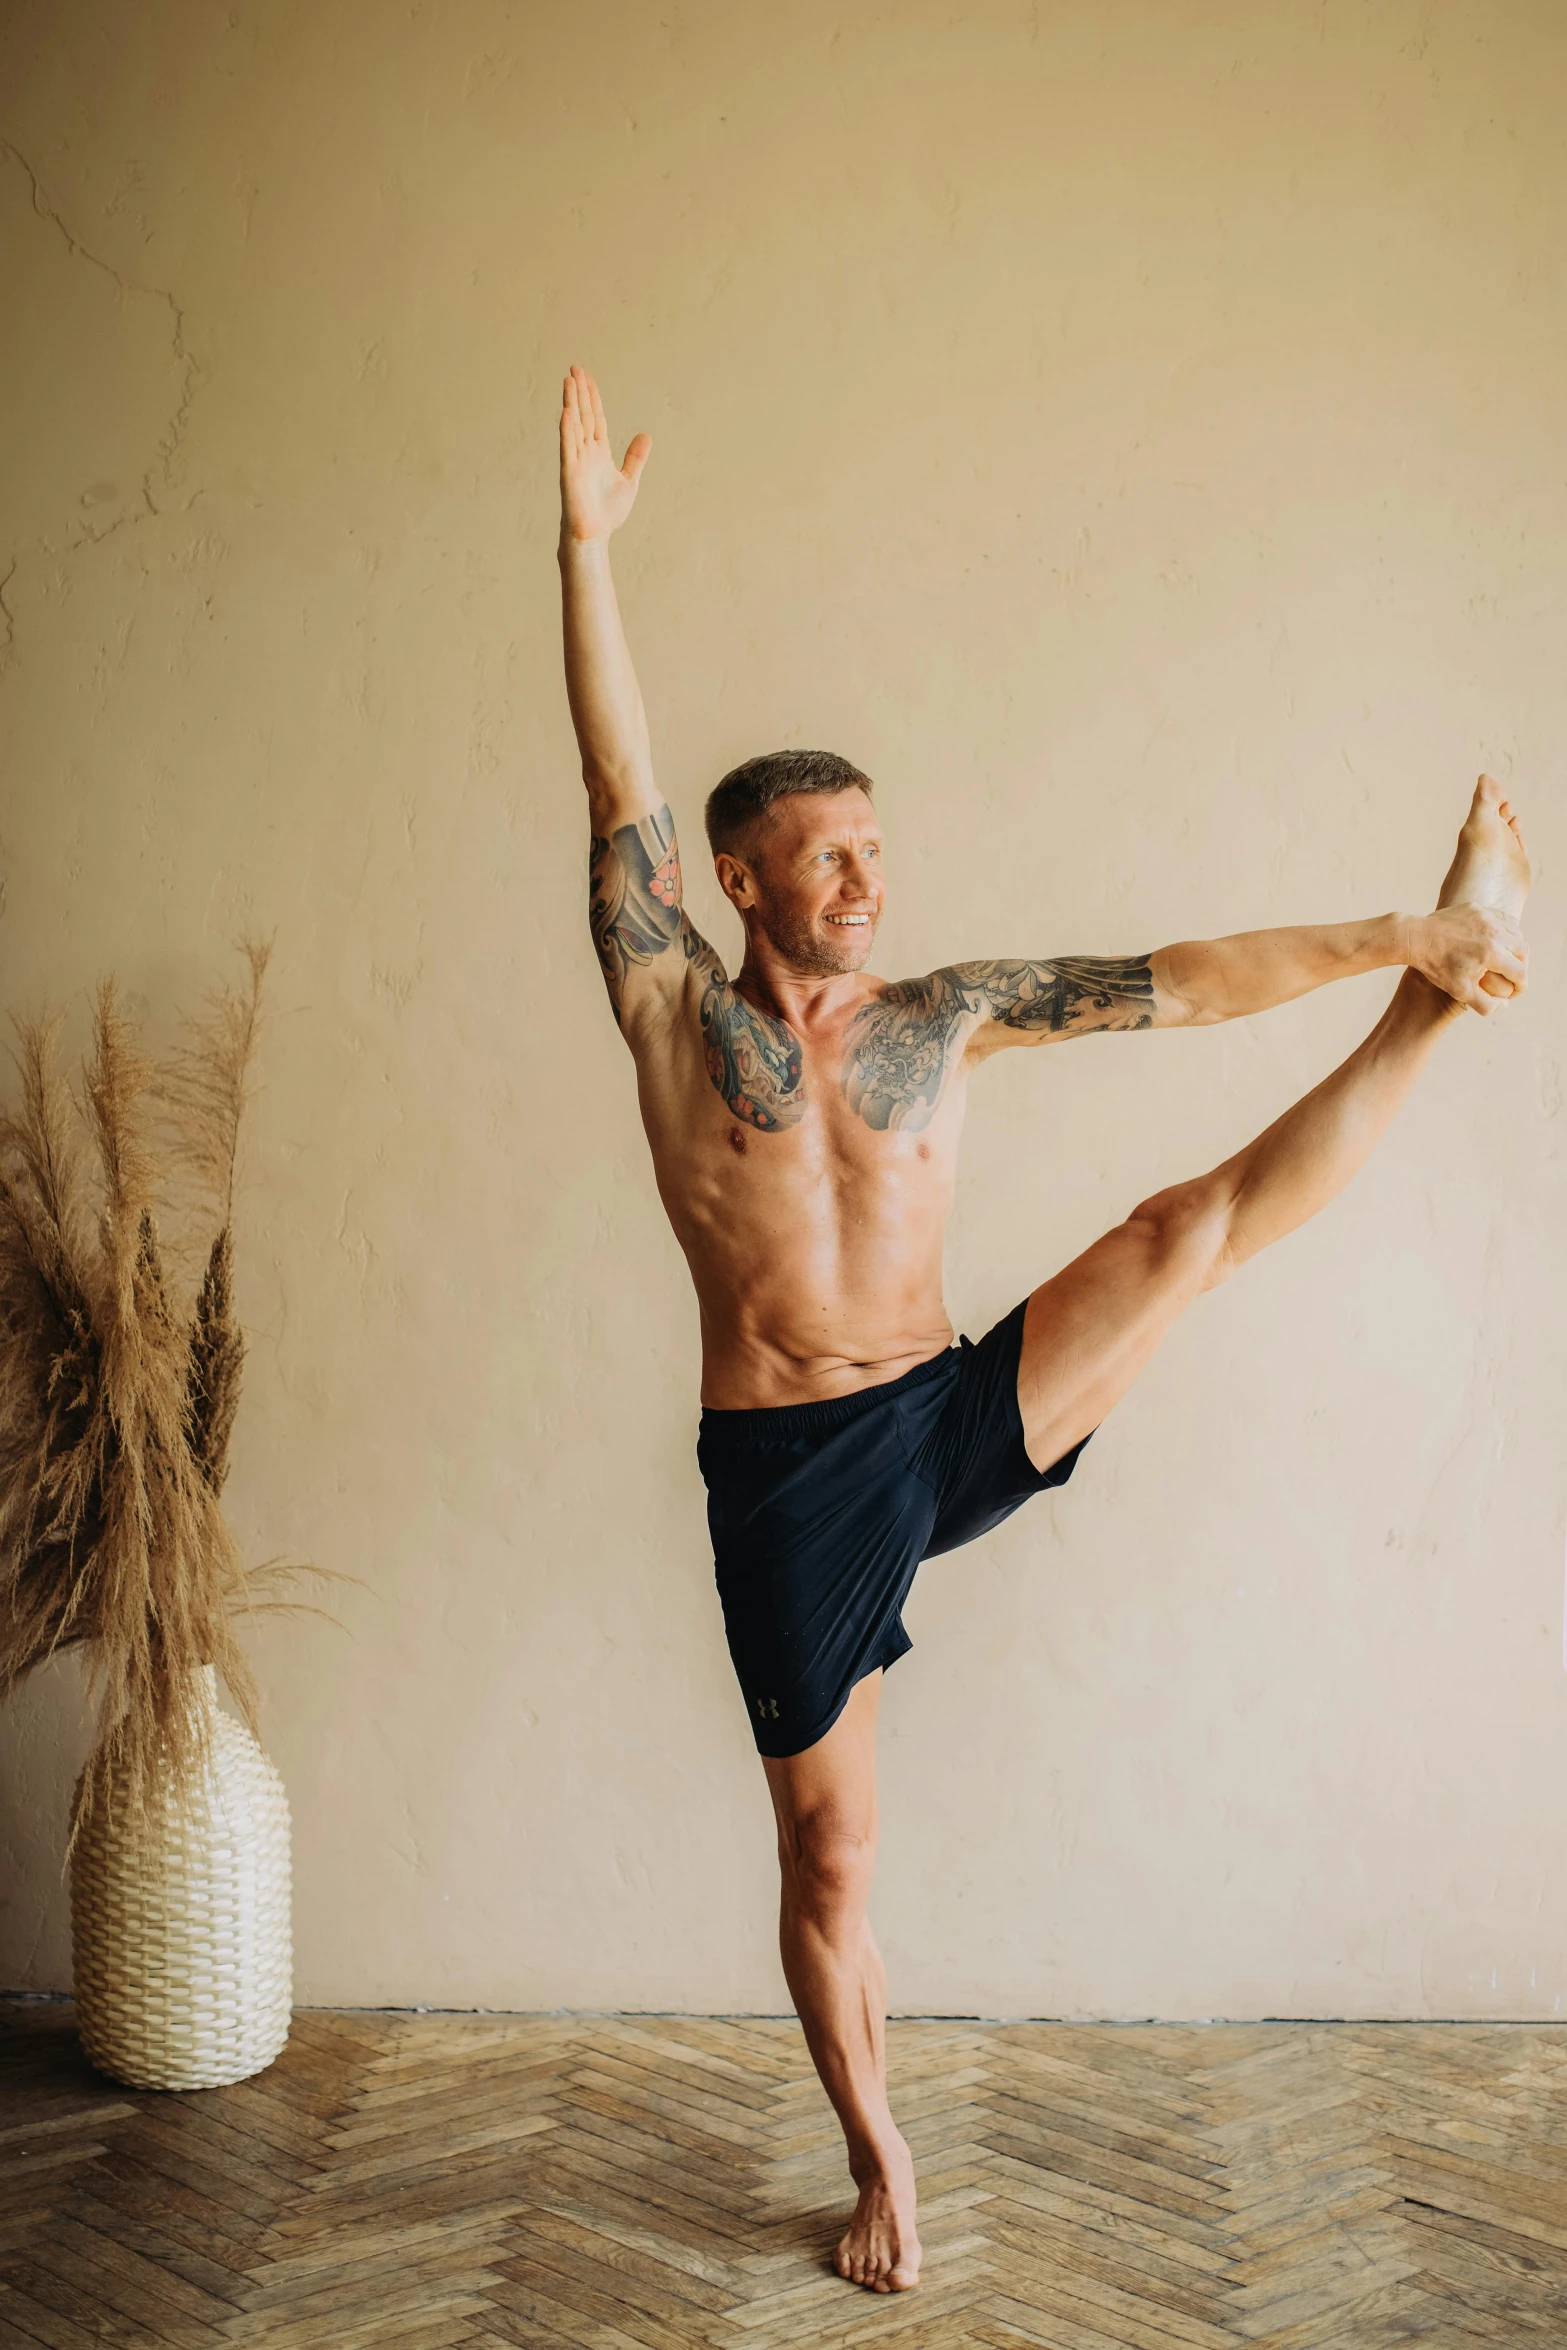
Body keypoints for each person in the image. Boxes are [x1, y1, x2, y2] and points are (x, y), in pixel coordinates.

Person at [555, 364, 1530, 2294]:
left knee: (1191, 1223)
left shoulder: (945, 1011)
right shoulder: (678, 1015)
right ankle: (878, 2150)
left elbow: (1175, 982)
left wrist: (1392, 939)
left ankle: (1436, 997)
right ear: (738, 880)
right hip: (789, 1474)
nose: (868, 877)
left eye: (877, 849)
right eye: (828, 855)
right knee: (831, 1865)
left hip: (940, 1407)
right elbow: (614, 785)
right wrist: (583, 555)